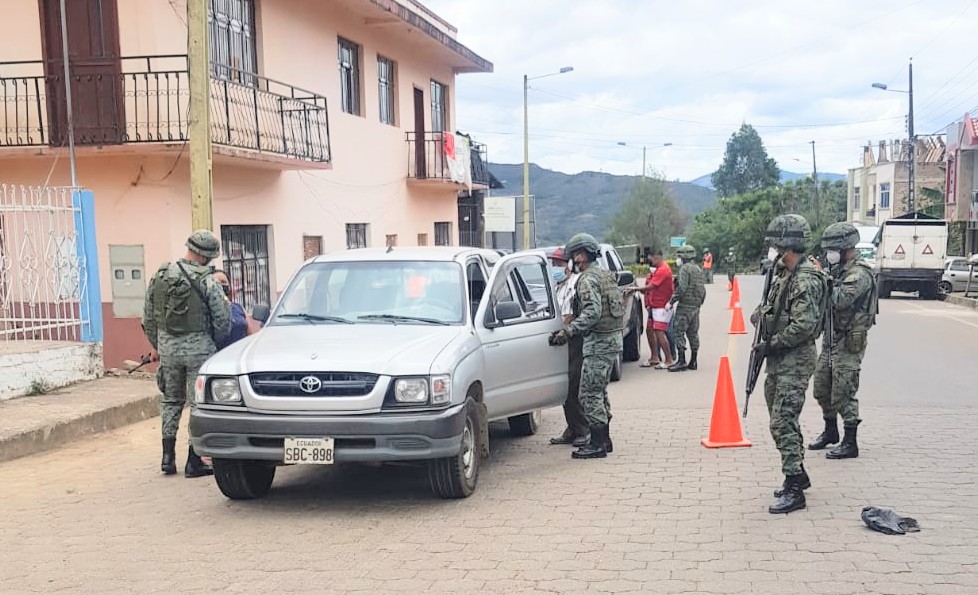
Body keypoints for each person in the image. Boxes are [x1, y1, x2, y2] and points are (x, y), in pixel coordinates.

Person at [751, 214, 827, 514]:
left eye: (776, 243)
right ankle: (794, 473)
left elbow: (803, 327)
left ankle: (795, 486)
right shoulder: (785, 273)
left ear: (786, 244)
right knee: (781, 420)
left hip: (794, 360)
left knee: (782, 421)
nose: (772, 249)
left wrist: (771, 343)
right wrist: (761, 316)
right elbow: (770, 305)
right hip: (779, 360)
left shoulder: (806, 279)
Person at [142, 230, 230, 478]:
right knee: (197, 403)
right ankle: (194, 461)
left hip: (168, 347)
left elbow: (148, 317)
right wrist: (215, 344)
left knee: (171, 400)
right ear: (206, 256)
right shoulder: (207, 279)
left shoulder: (161, 275)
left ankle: (167, 458)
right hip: (199, 349)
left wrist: (159, 345)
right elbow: (222, 319)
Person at [548, 233, 623, 460]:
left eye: (572, 256)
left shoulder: (587, 279)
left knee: (588, 393)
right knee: (599, 391)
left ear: (580, 255)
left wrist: (568, 331)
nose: (571, 260)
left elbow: (592, 312)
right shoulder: (604, 275)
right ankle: (604, 440)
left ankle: (598, 444)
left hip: (599, 342)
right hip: (610, 340)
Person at [808, 222, 877, 459]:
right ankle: (830, 431)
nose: (829, 254)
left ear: (846, 248)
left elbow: (839, 300)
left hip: (849, 341)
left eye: (833, 249)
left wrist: (821, 275)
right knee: (821, 388)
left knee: (844, 391)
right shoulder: (838, 270)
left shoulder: (859, 273)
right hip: (830, 338)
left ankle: (850, 441)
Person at [547, 248, 590, 447]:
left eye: (560, 264)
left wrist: (563, 329)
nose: (556, 268)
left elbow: (573, 313)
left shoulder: (577, 284)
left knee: (574, 386)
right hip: (562, 339)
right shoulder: (557, 286)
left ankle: (583, 429)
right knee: (565, 386)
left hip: (574, 339)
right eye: (553, 264)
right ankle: (572, 428)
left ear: (570, 265)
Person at [626, 249, 674, 369]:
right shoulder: (657, 271)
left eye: (651, 258)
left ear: (657, 257)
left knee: (659, 333)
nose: (650, 261)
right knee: (649, 330)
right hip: (654, 306)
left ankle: (669, 359)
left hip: (661, 306)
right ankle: (655, 357)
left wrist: (634, 289)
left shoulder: (663, 270)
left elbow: (651, 286)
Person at [668, 244, 706, 372]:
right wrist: (699, 302)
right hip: (695, 306)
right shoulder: (697, 269)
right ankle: (694, 361)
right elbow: (702, 289)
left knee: (678, 332)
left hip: (685, 306)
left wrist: (672, 301)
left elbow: (682, 287)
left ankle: (682, 361)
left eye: (679, 256)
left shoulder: (685, 269)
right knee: (693, 333)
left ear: (683, 257)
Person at [212, 270, 249, 351]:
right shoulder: (207, 310)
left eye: (223, 282)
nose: (220, 285)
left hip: (240, 354)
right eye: (216, 282)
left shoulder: (238, 308)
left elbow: (252, 334)